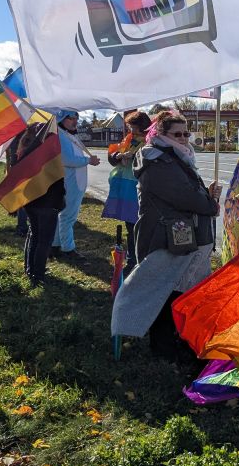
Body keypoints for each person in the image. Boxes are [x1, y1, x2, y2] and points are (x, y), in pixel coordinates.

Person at [109, 110, 221, 359]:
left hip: (180, 237)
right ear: (160, 134)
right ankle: (162, 347)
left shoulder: (175, 156)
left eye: (185, 133)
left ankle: (174, 340)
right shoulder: (157, 160)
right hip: (166, 237)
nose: (183, 138)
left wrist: (206, 194)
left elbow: (189, 191)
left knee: (180, 290)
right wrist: (209, 205)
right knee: (165, 291)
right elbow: (183, 196)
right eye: (177, 133)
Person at [102, 110, 151, 275]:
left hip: (137, 186)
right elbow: (113, 153)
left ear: (141, 127)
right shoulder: (129, 139)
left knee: (136, 224)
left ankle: (136, 260)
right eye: (129, 127)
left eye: (133, 127)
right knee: (130, 224)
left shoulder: (149, 141)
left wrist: (135, 157)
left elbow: (150, 162)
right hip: (125, 185)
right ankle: (133, 259)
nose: (130, 130)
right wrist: (118, 155)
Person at [17, 122, 66, 287]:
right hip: (48, 202)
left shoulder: (26, 148)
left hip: (31, 201)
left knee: (34, 236)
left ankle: (31, 270)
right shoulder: (49, 148)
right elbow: (56, 178)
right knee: (44, 240)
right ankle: (37, 275)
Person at [51, 109, 100, 260]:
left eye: (76, 118)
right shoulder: (61, 136)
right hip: (70, 182)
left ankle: (55, 245)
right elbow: (66, 159)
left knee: (64, 215)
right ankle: (68, 249)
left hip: (76, 182)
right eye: (70, 118)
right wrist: (88, 161)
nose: (75, 121)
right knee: (68, 216)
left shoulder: (69, 135)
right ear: (61, 119)